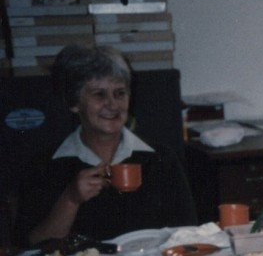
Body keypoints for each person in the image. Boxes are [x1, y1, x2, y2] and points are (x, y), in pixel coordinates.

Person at [15, 44, 196, 245]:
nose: (112, 104)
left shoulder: (161, 160)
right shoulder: (45, 166)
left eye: (120, 93)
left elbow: (188, 236)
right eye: (99, 94)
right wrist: (71, 199)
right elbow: (29, 247)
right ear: (74, 103)